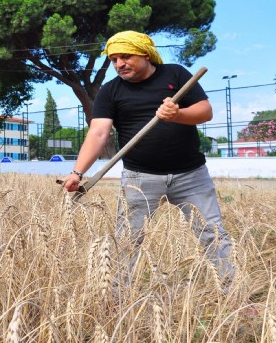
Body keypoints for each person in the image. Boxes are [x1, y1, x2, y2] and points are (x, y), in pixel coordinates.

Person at [62, 30, 234, 290]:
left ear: (145, 53)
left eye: (125, 56)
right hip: (139, 178)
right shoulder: (110, 91)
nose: (119, 64)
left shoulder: (175, 75)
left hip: (191, 175)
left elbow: (204, 111)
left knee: (212, 234)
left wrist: (177, 114)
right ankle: (117, 298)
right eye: (113, 59)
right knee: (128, 239)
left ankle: (232, 292)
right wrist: (77, 172)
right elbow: (98, 132)